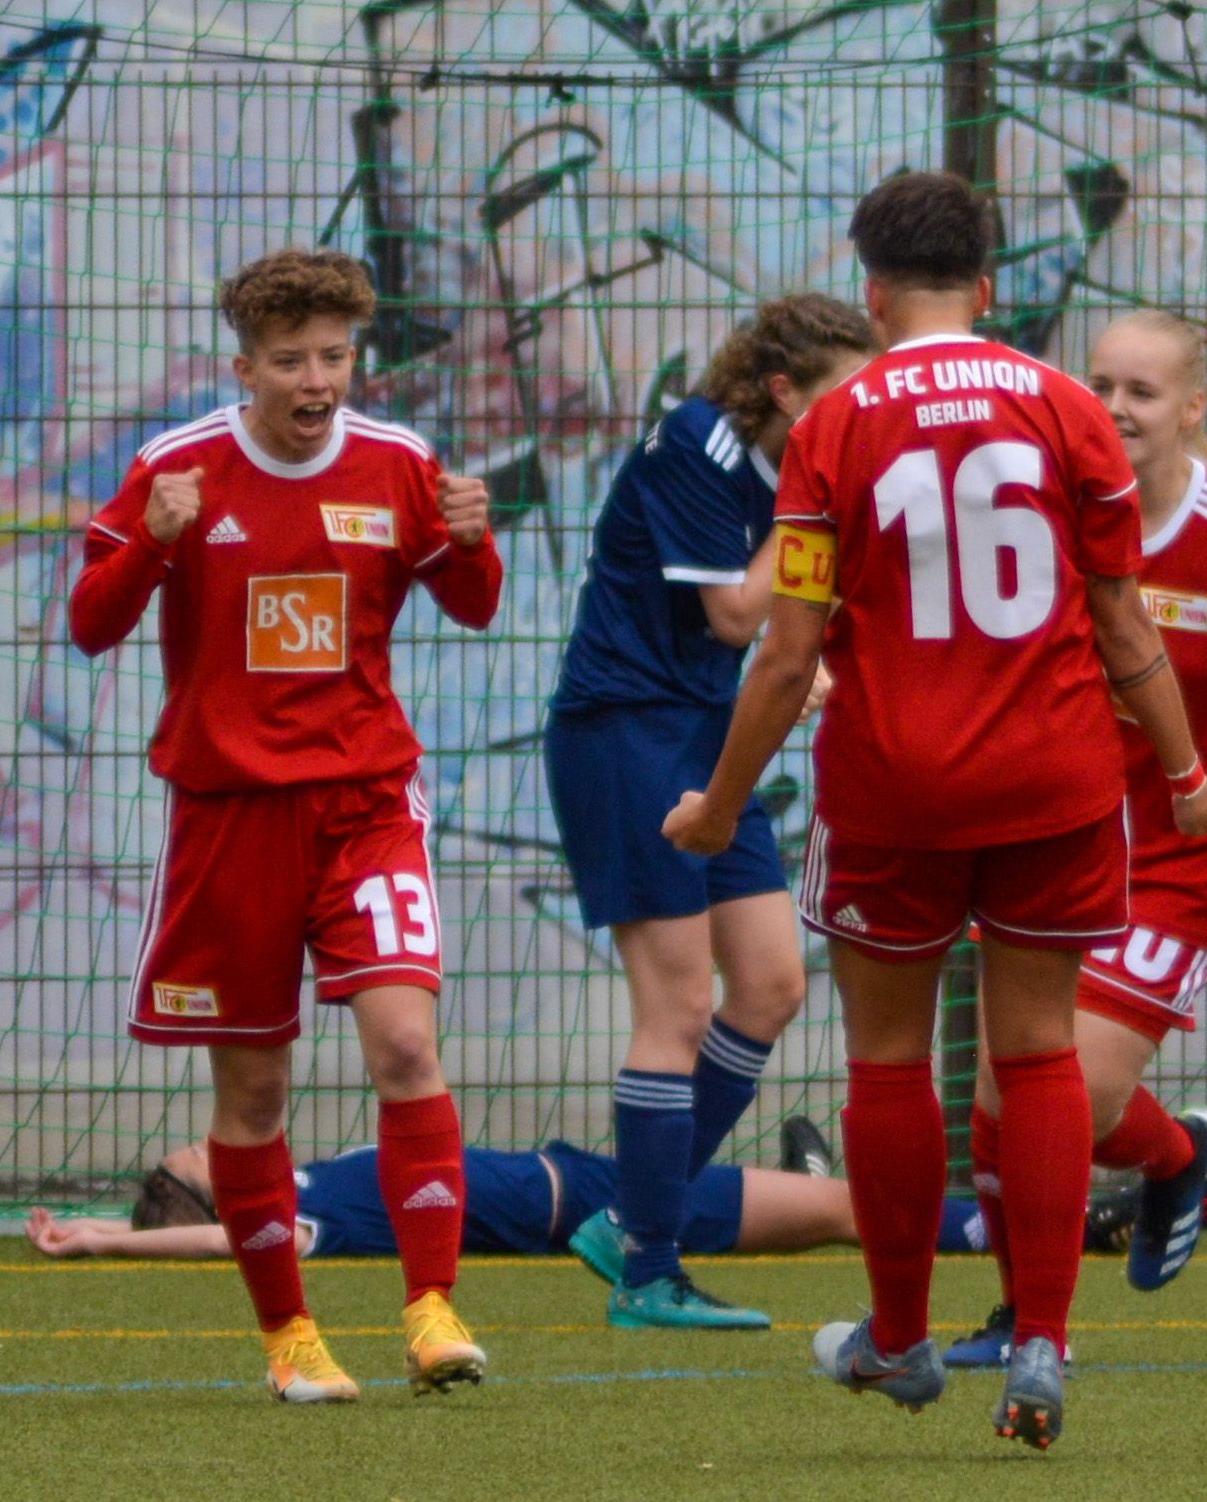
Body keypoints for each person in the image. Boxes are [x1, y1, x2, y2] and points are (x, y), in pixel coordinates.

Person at [664, 173, 1207, 1450]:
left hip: (895, 787)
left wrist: (718, 804)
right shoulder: (1070, 411)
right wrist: (1189, 773)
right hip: (1055, 782)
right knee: (1035, 1052)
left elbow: (782, 645)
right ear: (989, 287)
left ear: (871, 292)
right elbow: (1124, 623)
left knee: (888, 1060)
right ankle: (1040, 1339)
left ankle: (901, 1336)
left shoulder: (837, 421)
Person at [67, 248, 502, 1405]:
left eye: (336, 356)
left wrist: (472, 538)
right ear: (245, 365)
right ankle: (291, 1337)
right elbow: (92, 624)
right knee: (253, 1097)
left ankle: (431, 1308)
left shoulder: (401, 463)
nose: (318, 380)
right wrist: (156, 537)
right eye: (292, 360)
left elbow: (472, 601)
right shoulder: (174, 467)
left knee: (406, 1043)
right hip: (230, 819)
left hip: (365, 804)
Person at [947, 310, 1207, 1367]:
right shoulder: (1049, 512)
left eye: (1143, 391)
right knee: (1001, 1089)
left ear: (1193, 407)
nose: (1118, 407)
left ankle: (1180, 1155)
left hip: (1192, 860)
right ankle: (1018, 1321)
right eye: (1101, 385)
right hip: (1063, 835)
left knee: (1074, 1090)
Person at [544, 296, 876, 1330]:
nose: (855, 418)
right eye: (838, 398)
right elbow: (735, 611)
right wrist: (809, 514)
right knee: (678, 1005)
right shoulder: (702, 441)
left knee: (771, 984)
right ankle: (649, 1266)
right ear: (783, 390)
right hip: (625, 735)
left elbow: (780, 628)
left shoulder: (782, 472)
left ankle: (628, 1216)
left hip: (707, 736)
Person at [21, 1118, 996, 1265]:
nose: (208, 1140)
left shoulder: (310, 1173)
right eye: (199, 1160)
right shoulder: (303, 1217)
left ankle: (808, 1183)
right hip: (588, 1208)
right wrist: (111, 1235)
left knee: (820, 1206)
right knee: (844, 1213)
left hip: (579, 1172)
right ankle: (1044, 1220)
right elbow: (239, 1245)